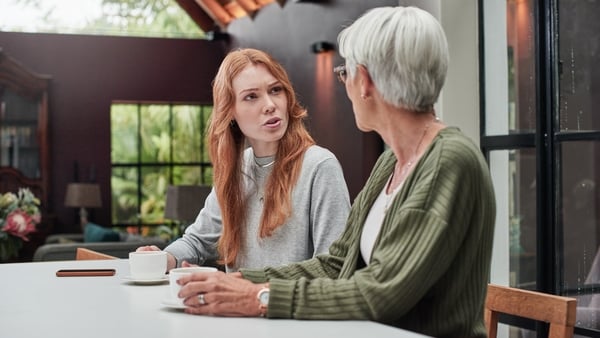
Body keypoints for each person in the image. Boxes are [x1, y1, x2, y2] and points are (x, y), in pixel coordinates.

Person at [175, 6, 496, 338]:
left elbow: (380, 293)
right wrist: (241, 283)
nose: (344, 83)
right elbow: (337, 262)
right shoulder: (393, 162)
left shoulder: (449, 162)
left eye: (345, 73)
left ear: (366, 82)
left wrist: (258, 297)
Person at [138, 48, 351, 272]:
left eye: (275, 90)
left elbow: (333, 268)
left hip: (286, 306)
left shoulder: (319, 166)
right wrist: (165, 257)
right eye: (251, 96)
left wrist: (253, 292)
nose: (270, 105)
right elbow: (198, 241)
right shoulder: (238, 169)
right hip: (232, 308)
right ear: (230, 111)